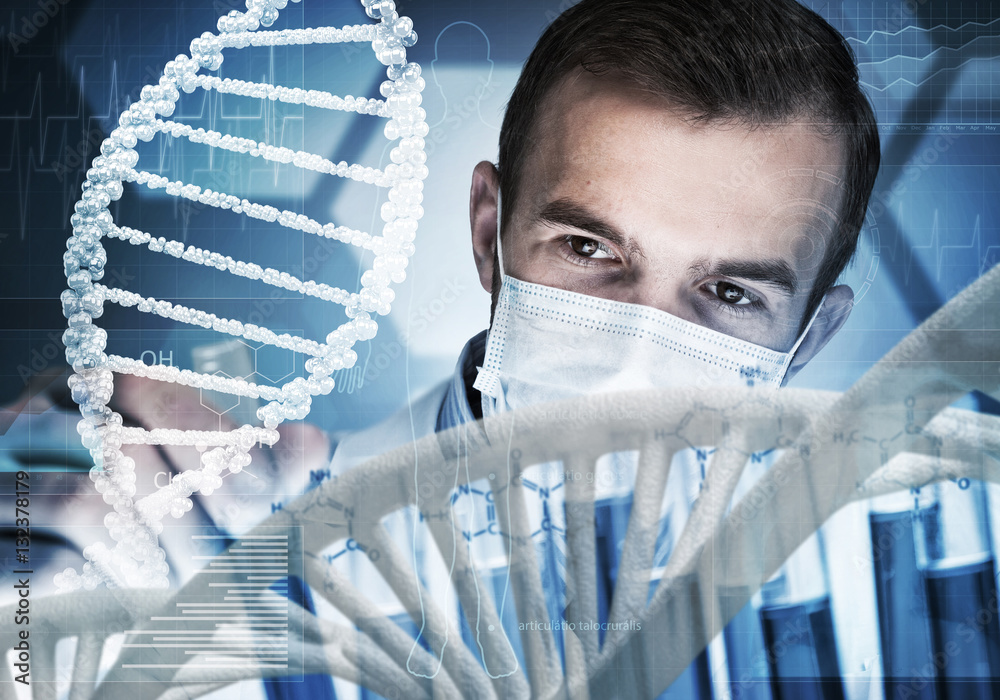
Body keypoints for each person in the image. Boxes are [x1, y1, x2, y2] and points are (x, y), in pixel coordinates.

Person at [1, 0, 879, 697]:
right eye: (589, 250)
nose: (637, 358)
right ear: (488, 230)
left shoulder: (900, 599)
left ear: (808, 339)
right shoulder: (243, 550)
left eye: (730, 294)